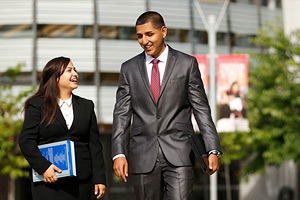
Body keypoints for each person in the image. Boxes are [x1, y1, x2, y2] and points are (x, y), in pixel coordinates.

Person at [112, 11, 222, 200]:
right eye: (139, 36)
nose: (144, 40)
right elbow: (121, 115)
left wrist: (212, 148)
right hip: (142, 154)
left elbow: (201, 110)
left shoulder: (187, 64)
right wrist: (118, 153)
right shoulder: (128, 69)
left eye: (149, 34)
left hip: (179, 152)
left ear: (163, 31)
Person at [19, 56, 106, 200]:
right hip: (49, 180)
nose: (75, 74)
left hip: (81, 182)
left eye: (75, 70)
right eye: (69, 70)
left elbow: (94, 145)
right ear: (55, 77)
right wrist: (44, 167)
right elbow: (26, 140)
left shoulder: (86, 106)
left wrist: (100, 178)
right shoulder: (38, 105)